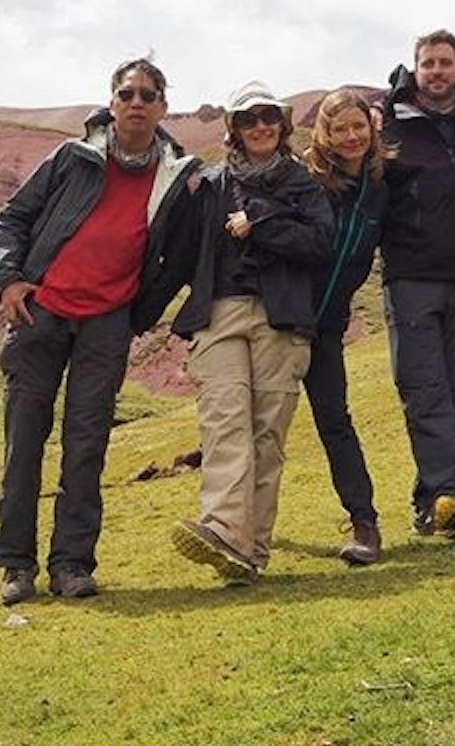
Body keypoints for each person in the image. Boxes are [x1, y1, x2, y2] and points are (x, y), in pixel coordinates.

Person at [0, 58, 200, 605]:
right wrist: (10, 280)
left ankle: (72, 566)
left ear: (163, 108)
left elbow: (174, 260)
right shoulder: (71, 158)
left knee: (87, 446)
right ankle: (16, 566)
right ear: (111, 102)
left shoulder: (175, 177)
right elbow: (12, 218)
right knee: (24, 445)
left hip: (107, 324)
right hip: (41, 316)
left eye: (148, 95)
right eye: (127, 93)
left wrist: (136, 313)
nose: (136, 103)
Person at [164, 81, 334, 582]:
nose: (259, 126)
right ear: (234, 130)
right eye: (247, 119)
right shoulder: (209, 186)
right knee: (225, 421)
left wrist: (261, 221)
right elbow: (178, 257)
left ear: (282, 126)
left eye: (267, 117)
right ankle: (222, 528)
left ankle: (249, 552)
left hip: (282, 317)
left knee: (266, 434)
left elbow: (320, 242)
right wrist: (136, 312)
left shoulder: (303, 184)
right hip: (219, 314)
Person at [380, 29, 455, 538]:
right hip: (411, 279)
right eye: (428, 63)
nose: (437, 71)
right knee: (426, 392)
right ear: (415, 69)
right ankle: (450, 495)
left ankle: (433, 500)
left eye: (446, 62)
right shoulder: (390, 125)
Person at [302, 88, 394, 564]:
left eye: (360, 126)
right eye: (341, 129)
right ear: (326, 134)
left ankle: (365, 523)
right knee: (259, 429)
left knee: (335, 423)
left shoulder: (381, 186)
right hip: (282, 323)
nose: (352, 136)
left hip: (329, 328)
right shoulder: (305, 180)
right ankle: (239, 527)